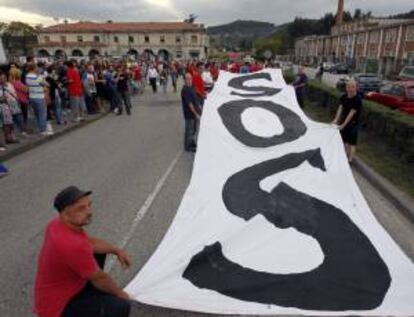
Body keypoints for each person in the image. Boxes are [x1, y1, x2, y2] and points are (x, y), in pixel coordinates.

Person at [34, 186, 131, 317]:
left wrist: (116, 250)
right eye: (81, 208)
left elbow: (90, 243)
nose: (89, 212)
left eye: (89, 206)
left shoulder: (57, 224)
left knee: (97, 253)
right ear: (65, 214)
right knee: (120, 307)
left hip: (62, 289)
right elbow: (100, 278)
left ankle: (94, 295)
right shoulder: (71, 245)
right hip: (58, 307)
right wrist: (121, 294)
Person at [332, 79, 362, 163]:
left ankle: (350, 159)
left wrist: (343, 125)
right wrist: (336, 119)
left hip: (353, 123)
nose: (350, 89)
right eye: (348, 86)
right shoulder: (344, 96)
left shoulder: (357, 100)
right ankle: (343, 156)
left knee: (351, 142)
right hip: (343, 121)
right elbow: (340, 108)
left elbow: (351, 113)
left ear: (356, 88)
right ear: (346, 87)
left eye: (353, 87)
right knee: (344, 141)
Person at [26, 63, 49, 134]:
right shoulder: (38, 77)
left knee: (37, 114)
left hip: (32, 96)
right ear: (34, 68)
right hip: (40, 96)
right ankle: (43, 130)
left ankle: (40, 128)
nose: (37, 69)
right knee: (42, 114)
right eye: (36, 67)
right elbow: (47, 84)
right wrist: (41, 77)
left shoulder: (27, 76)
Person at [181, 73, 201, 152]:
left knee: (193, 130)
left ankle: (191, 142)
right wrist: (196, 114)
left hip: (194, 113)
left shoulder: (191, 87)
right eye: (187, 79)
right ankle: (188, 146)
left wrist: (199, 106)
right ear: (185, 80)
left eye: (190, 79)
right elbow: (190, 104)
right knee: (189, 130)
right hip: (189, 114)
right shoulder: (185, 90)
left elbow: (195, 98)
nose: (189, 80)